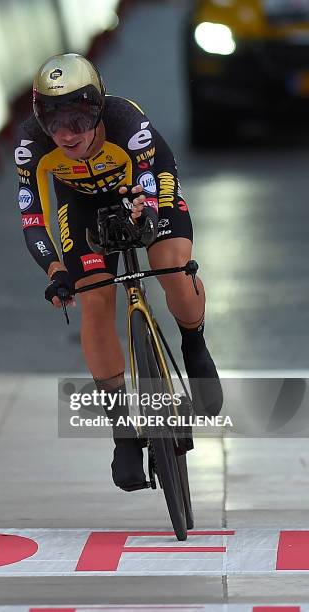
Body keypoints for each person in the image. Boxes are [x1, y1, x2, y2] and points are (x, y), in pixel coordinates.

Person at [14, 53, 222, 491]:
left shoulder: (126, 121)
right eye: (54, 122)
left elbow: (153, 183)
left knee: (171, 268)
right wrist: (56, 270)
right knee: (93, 299)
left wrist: (145, 215)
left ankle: (194, 345)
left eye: (78, 120)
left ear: (97, 109)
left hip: (143, 188)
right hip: (83, 205)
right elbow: (34, 218)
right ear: (39, 120)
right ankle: (123, 431)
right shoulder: (31, 145)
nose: (66, 135)